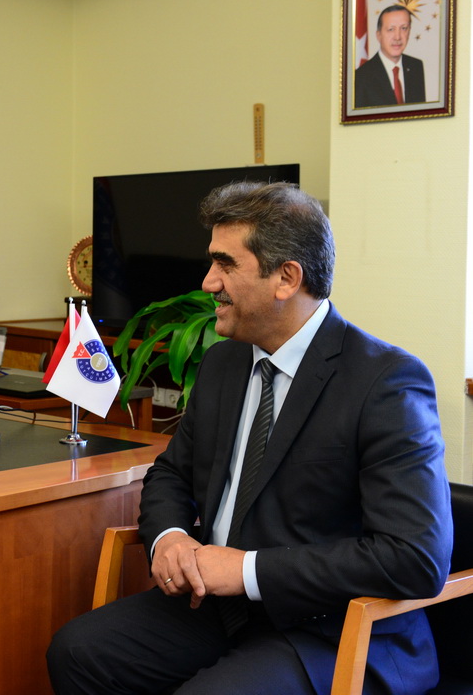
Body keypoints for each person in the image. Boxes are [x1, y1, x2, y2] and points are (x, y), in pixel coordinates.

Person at [47, 182, 452, 694]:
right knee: (78, 652)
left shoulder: (385, 382)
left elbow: (414, 557)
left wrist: (247, 570)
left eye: (226, 264)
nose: (208, 282)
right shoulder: (224, 363)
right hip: (216, 606)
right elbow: (172, 473)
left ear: (286, 278)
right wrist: (170, 537)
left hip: (329, 628)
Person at [354, 5, 426, 108]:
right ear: (378, 35)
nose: (397, 37)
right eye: (391, 29)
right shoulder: (361, 77)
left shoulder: (416, 66)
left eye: (404, 28)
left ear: (409, 32)